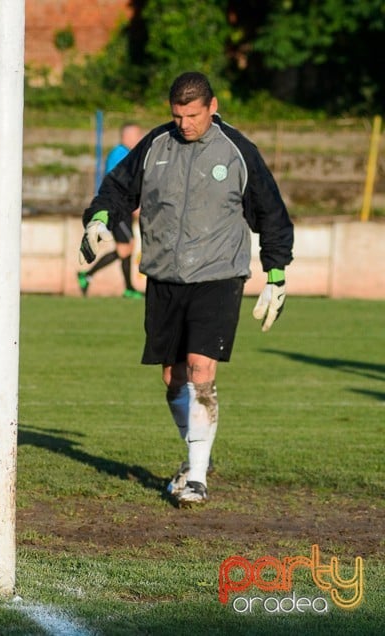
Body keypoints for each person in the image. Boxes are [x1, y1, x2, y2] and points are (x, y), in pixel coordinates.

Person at [78, 72, 294, 507]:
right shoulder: (156, 145)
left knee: (200, 368)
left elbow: (271, 212)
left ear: (212, 106)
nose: (185, 124)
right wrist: (99, 218)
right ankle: (198, 450)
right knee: (173, 378)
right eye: (177, 116)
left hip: (218, 276)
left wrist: (276, 274)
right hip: (163, 276)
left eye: (193, 115)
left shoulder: (238, 151)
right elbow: (118, 188)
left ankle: (196, 477)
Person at [78, 122, 145, 299]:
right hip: (117, 209)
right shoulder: (120, 154)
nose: (139, 139)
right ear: (126, 137)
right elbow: (119, 183)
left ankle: (128, 287)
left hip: (124, 208)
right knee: (125, 249)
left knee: (127, 248)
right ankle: (88, 275)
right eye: (136, 135)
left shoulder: (128, 154)